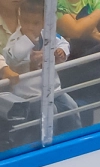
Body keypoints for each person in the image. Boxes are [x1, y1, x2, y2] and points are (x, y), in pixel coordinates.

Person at [0, 0, 80, 137]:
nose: (30, 27)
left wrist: (62, 51)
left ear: (44, 22)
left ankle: (74, 139)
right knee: (50, 112)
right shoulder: (15, 40)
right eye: (26, 22)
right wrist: (28, 44)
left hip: (54, 89)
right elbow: (11, 58)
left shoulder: (49, 34)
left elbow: (64, 43)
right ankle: (49, 146)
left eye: (35, 23)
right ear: (21, 20)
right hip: (29, 95)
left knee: (72, 107)